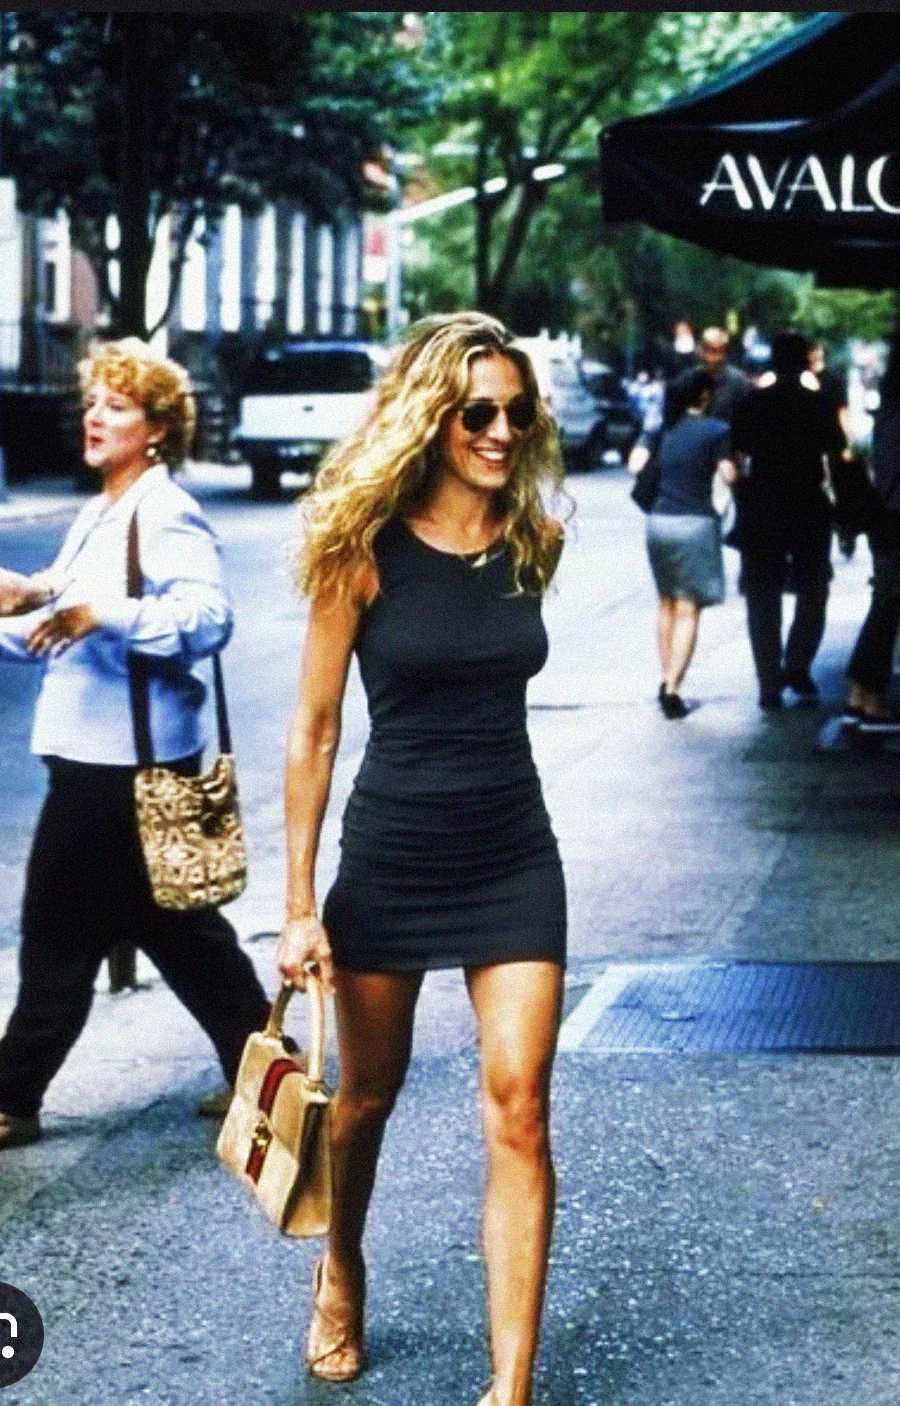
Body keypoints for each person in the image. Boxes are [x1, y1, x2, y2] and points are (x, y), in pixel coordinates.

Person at [275, 312, 566, 1406]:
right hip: (393, 851)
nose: (500, 430)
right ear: (431, 416)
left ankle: (510, 1386)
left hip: (513, 852)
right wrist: (299, 904)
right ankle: (340, 1265)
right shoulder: (361, 549)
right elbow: (311, 730)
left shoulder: (535, 538)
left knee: (521, 1105)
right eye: (476, 411)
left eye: (514, 410)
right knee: (363, 1099)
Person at [0, 337, 270, 1150]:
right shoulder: (105, 510)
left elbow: (207, 620)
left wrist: (99, 614)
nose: (94, 416)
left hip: (121, 773)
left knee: (55, 935)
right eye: (93, 402)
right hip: (98, 761)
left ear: (157, 429)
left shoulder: (164, 510)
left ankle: (11, 1096)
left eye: (116, 406)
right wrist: (27, 603)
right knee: (180, 932)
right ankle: (267, 1070)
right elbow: (61, 628)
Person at [730, 331, 847, 710]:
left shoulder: (752, 404)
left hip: (764, 504)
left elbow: (740, 458)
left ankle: (768, 678)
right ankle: (797, 665)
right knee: (813, 588)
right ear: (804, 363)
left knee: (762, 592)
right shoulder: (820, 405)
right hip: (808, 504)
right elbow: (834, 456)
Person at [628, 368, 737, 718]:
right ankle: (673, 687)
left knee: (667, 604)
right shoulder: (718, 430)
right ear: (705, 396)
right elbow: (728, 475)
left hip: (658, 523)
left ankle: (665, 677)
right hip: (695, 523)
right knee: (688, 608)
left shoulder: (663, 429)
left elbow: (635, 465)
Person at [843, 345, 900, 725]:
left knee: (886, 603)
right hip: (896, 518)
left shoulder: (887, 415)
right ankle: (869, 691)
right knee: (888, 604)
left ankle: (862, 691)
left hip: (886, 516)